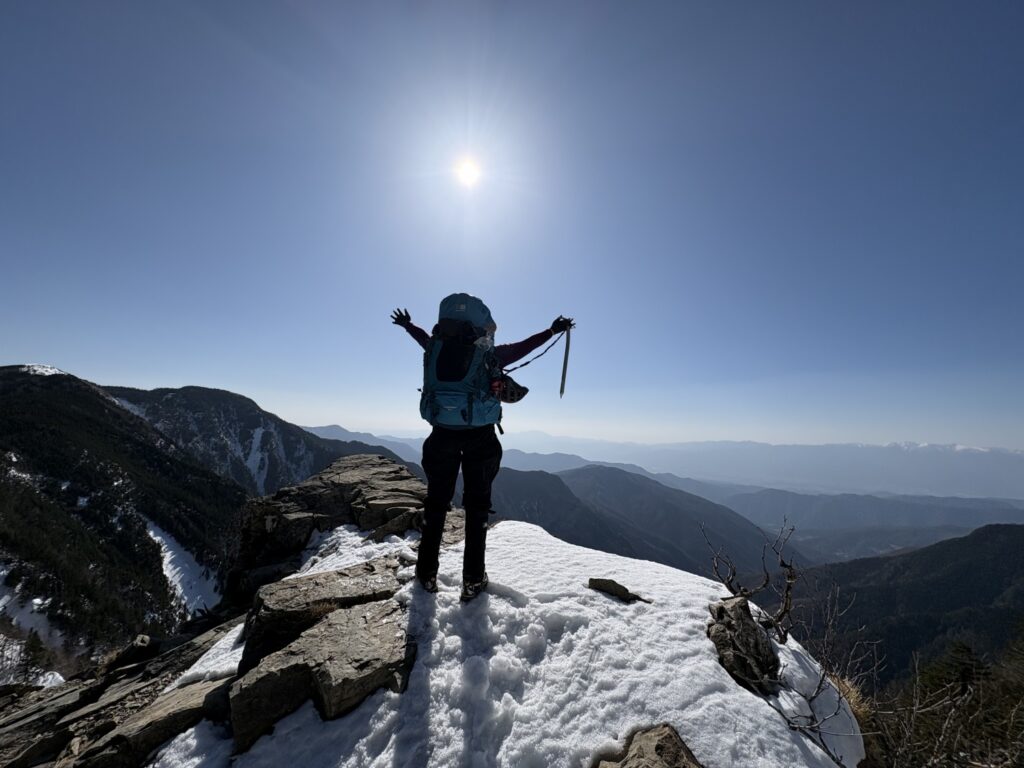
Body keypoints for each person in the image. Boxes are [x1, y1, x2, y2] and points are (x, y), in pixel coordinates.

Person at [392, 293, 573, 601]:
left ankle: (426, 574)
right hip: (480, 438)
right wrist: (552, 331)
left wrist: (408, 325)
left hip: (440, 435)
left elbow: (423, 338)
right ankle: (473, 580)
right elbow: (525, 347)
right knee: (476, 509)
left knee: (436, 504)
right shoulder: (490, 355)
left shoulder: (436, 348)